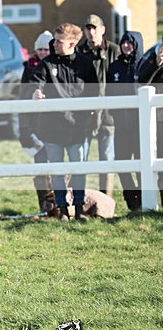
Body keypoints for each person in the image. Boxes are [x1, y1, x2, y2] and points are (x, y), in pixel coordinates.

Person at [31, 23, 98, 221]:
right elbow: (35, 81)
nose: (54, 44)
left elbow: (94, 91)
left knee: (79, 169)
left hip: (78, 127)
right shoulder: (47, 63)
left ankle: (79, 209)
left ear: (72, 43)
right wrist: (35, 92)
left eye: (59, 41)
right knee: (57, 170)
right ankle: (61, 210)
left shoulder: (85, 64)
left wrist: (88, 115)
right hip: (52, 127)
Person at [77, 14, 120, 196]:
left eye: (95, 28)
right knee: (80, 159)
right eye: (88, 28)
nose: (91, 32)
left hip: (109, 115)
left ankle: (106, 202)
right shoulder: (78, 53)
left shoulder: (114, 51)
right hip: (85, 115)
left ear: (103, 30)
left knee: (107, 159)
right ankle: (79, 202)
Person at [19, 30, 55, 214]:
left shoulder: (56, 67)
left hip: (56, 125)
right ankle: (45, 205)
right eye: (39, 49)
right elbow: (22, 95)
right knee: (41, 167)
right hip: (36, 126)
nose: (42, 52)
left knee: (58, 167)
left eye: (46, 49)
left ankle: (61, 205)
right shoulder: (29, 69)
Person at [107, 31, 143, 211]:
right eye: (123, 43)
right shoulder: (114, 67)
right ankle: (132, 200)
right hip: (121, 125)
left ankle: (144, 200)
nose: (126, 46)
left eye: (130, 43)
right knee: (121, 163)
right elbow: (108, 92)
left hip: (141, 126)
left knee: (141, 164)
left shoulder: (143, 66)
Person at [136, 38, 163, 206]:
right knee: (160, 166)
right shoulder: (152, 61)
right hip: (158, 121)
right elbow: (142, 82)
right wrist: (157, 65)